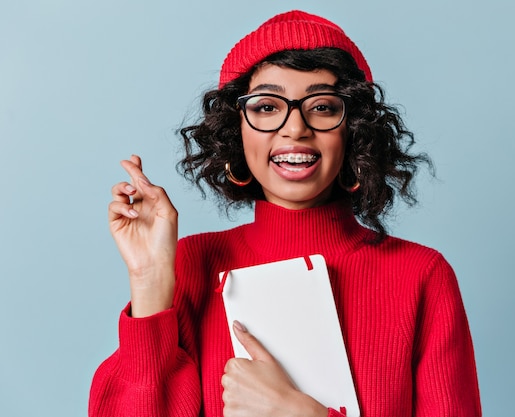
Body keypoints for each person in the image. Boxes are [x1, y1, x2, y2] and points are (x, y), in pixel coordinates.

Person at [89, 9, 481, 417]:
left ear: (355, 130)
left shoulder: (422, 275)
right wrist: (150, 281)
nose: (295, 127)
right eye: (266, 107)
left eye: (323, 106)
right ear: (235, 130)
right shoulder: (191, 266)